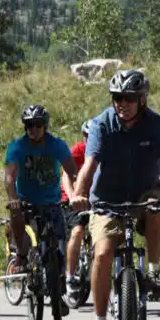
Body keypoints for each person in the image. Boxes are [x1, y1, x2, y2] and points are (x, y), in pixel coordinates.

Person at [71, 70, 160, 320]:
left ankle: (154, 270)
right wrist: (79, 192)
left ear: (142, 99)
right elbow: (90, 163)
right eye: (117, 98)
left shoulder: (155, 124)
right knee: (102, 254)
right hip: (106, 198)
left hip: (143, 191)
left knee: (156, 206)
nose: (122, 103)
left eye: (129, 98)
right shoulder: (102, 123)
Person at [4, 104, 78, 314]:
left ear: (45, 126)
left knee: (59, 242)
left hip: (51, 201)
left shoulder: (57, 145)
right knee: (16, 213)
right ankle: (21, 255)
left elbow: (72, 170)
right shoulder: (17, 147)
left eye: (37, 125)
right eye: (29, 126)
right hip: (26, 200)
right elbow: (9, 178)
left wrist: (80, 190)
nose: (33, 130)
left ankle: (58, 291)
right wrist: (13, 198)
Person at [62, 118, 94, 306]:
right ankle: (70, 277)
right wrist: (73, 196)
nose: (91, 139)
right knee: (78, 231)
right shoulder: (77, 151)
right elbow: (66, 176)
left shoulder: (103, 152)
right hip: (74, 200)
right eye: (88, 137)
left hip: (95, 201)